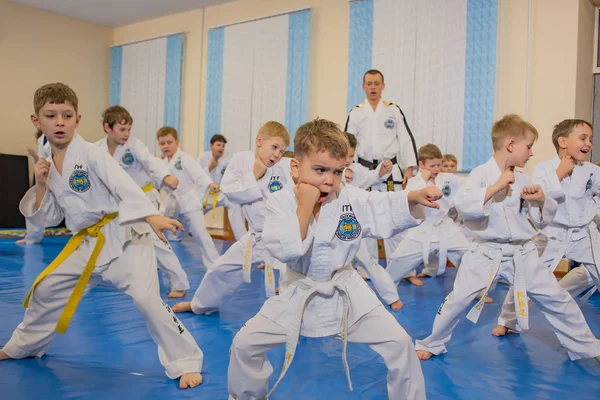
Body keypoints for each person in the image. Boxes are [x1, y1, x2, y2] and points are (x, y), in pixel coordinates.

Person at [0, 83, 204, 389]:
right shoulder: (47, 159)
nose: (59, 122)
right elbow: (52, 216)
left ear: (77, 119)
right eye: (51, 115)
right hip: (86, 240)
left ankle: (186, 361)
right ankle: (24, 346)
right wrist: (42, 183)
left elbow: (121, 183)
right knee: (47, 288)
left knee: (147, 298)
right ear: (36, 120)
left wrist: (152, 216)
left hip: (123, 236)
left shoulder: (91, 154)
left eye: (66, 115)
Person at [227, 118, 440, 399]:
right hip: (298, 292)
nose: (329, 179)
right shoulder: (280, 203)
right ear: (295, 167)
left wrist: (413, 196)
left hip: (347, 292)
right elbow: (289, 250)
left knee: (400, 342)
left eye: (337, 172)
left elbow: (382, 206)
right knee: (244, 344)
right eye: (319, 170)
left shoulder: (348, 197)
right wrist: (305, 203)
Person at [414, 114, 600, 364]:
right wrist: (495, 187)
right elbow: (464, 205)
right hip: (485, 252)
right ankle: (432, 342)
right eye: (529, 146)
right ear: (511, 145)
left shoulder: (523, 177)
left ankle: (587, 346)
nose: (532, 153)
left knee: (557, 298)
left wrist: (540, 200)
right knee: (457, 301)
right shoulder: (481, 174)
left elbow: (538, 220)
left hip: (522, 252)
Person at [492, 119, 600, 335]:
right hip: (551, 233)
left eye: (590, 139)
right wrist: (560, 172)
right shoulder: (545, 168)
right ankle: (508, 320)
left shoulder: (592, 170)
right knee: (528, 275)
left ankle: (567, 287)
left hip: (583, 233)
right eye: (583, 138)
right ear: (562, 141)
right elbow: (539, 195)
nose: (588, 143)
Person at [173, 121, 292, 314]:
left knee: (298, 275)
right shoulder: (240, 160)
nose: (277, 154)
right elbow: (229, 191)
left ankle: (299, 314)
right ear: (259, 140)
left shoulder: (286, 165)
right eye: (275, 147)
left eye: (282, 151)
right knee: (221, 269)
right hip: (257, 237)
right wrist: (253, 175)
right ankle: (200, 305)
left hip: (284, 236)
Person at [96, 105, 190, 298]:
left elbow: (151, 162)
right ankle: (99, 274)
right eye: (122, 129)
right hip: (117, 202)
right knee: (105, 238)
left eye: (129, 129)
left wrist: (166, 177)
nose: (126, 133)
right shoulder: (96, 149)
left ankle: (179, 282)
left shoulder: (134, 145)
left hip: (143, 199)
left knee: (156, 241)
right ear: (107, 127)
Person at [345, 69, 421, 284]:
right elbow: (346, 140)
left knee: (395, 218)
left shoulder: (393, 110)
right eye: (369, 83)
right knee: (366, 219)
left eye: (377, 83)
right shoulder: (356, 112)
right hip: (364, 172)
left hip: (390, 172)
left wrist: (410, 168)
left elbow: (405, 139)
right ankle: (364, 270)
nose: (373, 87)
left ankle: (404, 270)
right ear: (363, 86)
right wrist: (346, 166)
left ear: (383, 85)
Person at [156, 126, 221, 269]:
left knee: (200, 234)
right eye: (162, 143)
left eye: (169, 142)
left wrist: (210, 183)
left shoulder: (184, 158)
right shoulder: (161, 162)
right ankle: (160, 262)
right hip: (172, 201)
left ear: (177, 143)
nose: (166, 146)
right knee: (158, 229)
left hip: (188, 200)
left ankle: (215, 265)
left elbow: (198, 174)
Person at [197, 134, 247, 240]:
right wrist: (210, 167)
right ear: (211, 146)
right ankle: (178, 234)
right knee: (194, 213)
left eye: (223, 146)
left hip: (221, 193)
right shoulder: (202, 158)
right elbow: (197, 176)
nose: (221, 148)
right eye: (218, 145)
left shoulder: (228, 160)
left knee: (234, 205)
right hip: (205, 194)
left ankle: (242, 240)